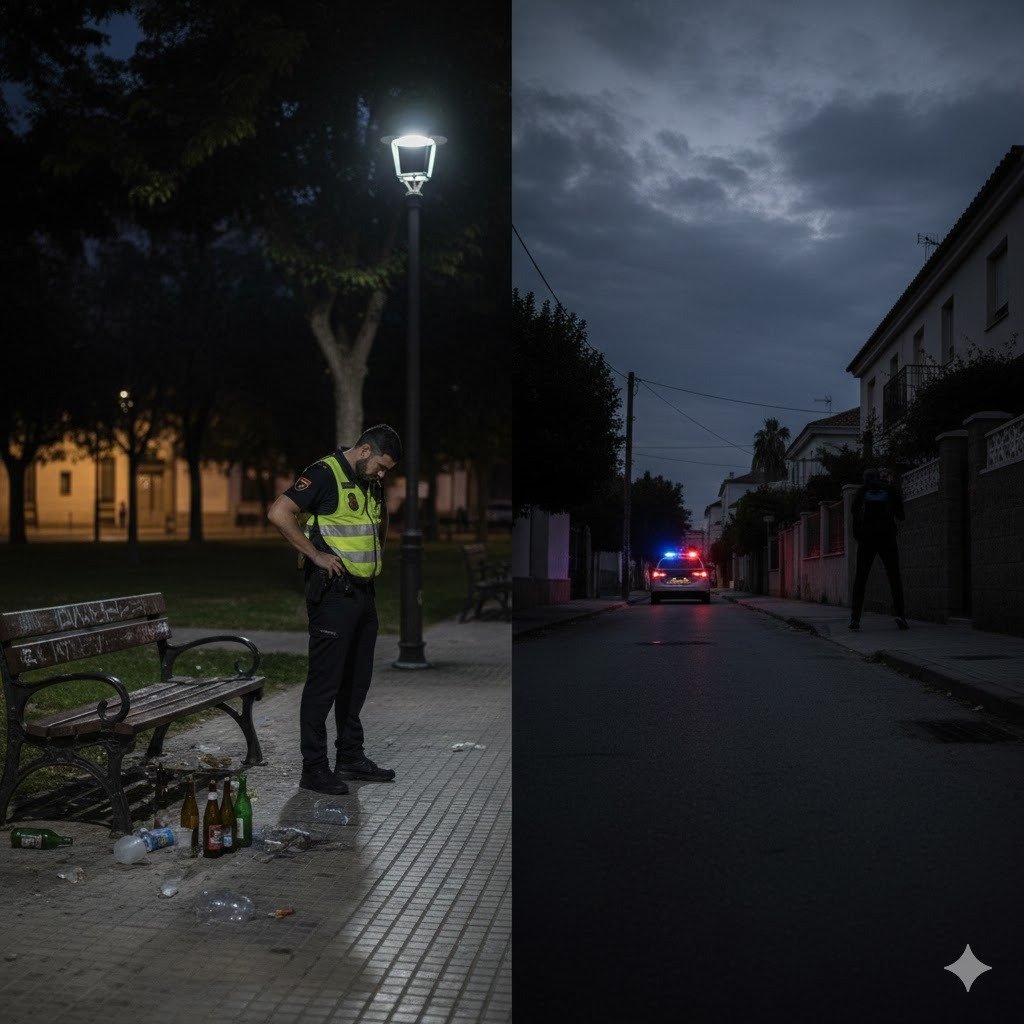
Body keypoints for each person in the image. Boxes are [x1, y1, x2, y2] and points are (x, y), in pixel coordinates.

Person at [267, 424, 403, 795]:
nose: (382, 474)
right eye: (381, 466)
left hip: (363, 593)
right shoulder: (324, 473)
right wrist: (315, 554)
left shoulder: (369, 480)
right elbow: (279, 512)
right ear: (364, 450)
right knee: (324, 683)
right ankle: (314, 768)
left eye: (387, 470)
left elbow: (377, 521)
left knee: (356, 681)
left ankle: (350, 757)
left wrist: (375, 556)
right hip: (332, 595)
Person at [849, 467, 908, 631]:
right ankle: (901, 615)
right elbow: (901, 515)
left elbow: (855, 516)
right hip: (887, 538)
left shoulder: (861, 492)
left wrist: (860, 536)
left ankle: (855, 618)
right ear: (879, 478)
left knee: (860, 579)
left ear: (865, 479)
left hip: (867, 540)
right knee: (894, 577)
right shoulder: (890, 491)